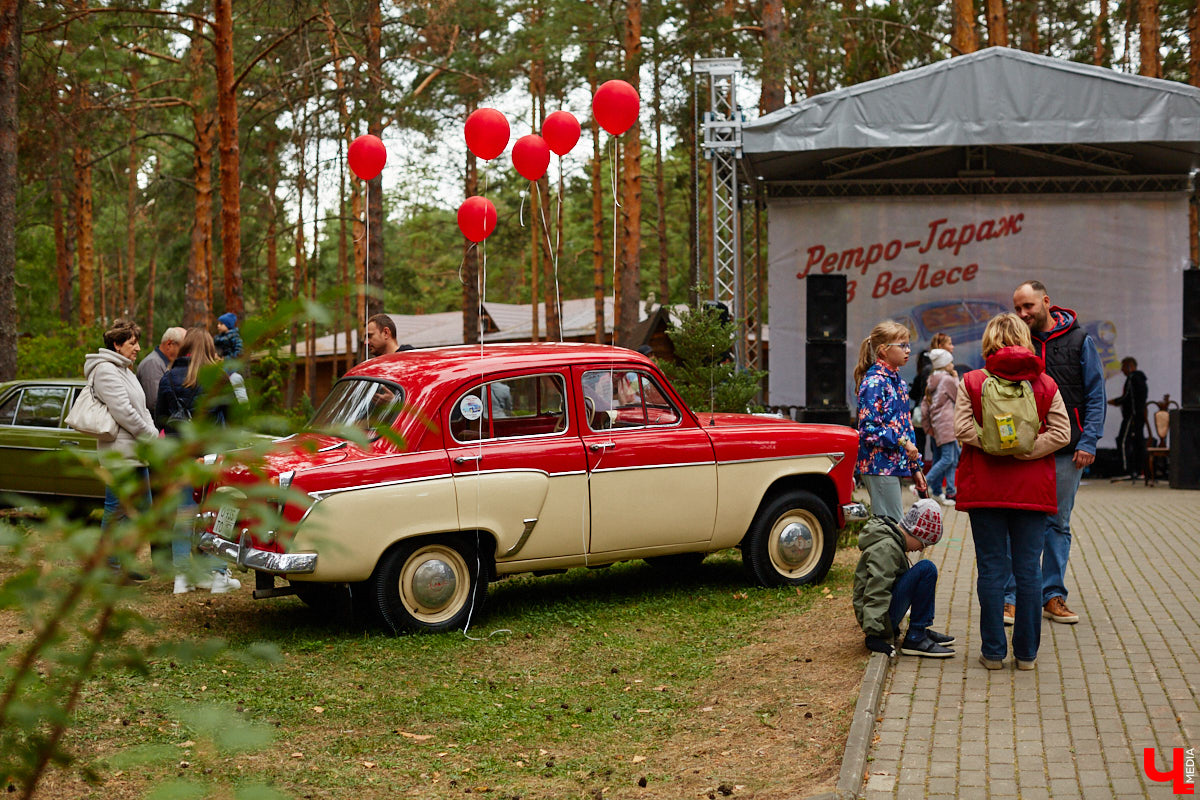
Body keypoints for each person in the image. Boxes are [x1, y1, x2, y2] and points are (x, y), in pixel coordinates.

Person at [955, 313, 1071, 670]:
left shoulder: (972, 381)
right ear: (1026, 339)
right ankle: (1027, 655)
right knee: (1029, 571)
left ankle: (992, 653)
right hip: (1032, 490)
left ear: (989, 340)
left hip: (985, 489)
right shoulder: (1045, 384)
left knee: (991, 570)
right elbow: (1062, 433)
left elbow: (960, 429)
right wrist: (1026, 450)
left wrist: (994, 445)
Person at [1006, 280, 1106, 625]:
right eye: (1018, 308)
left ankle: (1053, 596)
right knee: (1016, 520)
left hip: (1067, 449)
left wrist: (1089, 441)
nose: (1022, 314)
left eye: (1028, 307)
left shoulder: (1081, 340)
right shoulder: (1016, 340)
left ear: (1046, 302)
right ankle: (1012, 598)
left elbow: (1096, 395)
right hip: (1023, 448)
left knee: (1058, 523)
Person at [156, 327, 242, 594]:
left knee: (183, 514)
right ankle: (217, 575)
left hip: (181, 456)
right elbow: (234, 417)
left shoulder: (167, 378)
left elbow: (160, 417)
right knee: (216, 514)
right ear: (209, 348)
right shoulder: (218, 377)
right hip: (212, 456)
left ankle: (182, 577)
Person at [85, 319, 158, 582]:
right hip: (120, 454)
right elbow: (123, 412)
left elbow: (143, 408)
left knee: (142, 509)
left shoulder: (126, 370)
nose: (137, 348)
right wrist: (150, 435)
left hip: (137, 452)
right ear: (117, 345)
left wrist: (151, 432)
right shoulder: (106, 370)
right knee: (116, 510)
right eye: (132, 343)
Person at [853, 499, 955, 658]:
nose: (921, 548)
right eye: (923, 543)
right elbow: (876, 590)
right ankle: (915, 637)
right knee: (926, 569)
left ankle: (919, 629)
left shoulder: (892, 542)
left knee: (924, 570)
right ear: (915, 532)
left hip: (883, 617)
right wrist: (873, 635)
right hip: (879, 623)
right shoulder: (887, 548)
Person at [854, 321, 927, 521]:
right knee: (891, 526)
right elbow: (868, 430)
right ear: (883, 350)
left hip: (892, 466)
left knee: (891, 526)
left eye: (908, 344)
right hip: (878, 466)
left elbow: (906, 429)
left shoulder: (898, 382)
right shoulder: (874, 382)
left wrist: (916, 468)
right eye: (902, 345)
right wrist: (903, 442)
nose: (908, 350)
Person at [921, 348, 959, 505]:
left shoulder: (933, 379)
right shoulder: (948, 380)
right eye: (950, 362)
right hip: (948, 424)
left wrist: (927, 426)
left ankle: (951, 492)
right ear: (944, 364)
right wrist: (956, 378)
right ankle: (922, 484)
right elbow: (959, 395)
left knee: (953, 458)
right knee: (948, 458)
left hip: (939, 424)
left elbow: (924, 407)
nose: (952, 364)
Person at [1109, 357, 1148, 480]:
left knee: (1123, 441)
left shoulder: (1132, 378)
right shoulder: (1142, 380)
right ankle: (1140, 470)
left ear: (1130, 366)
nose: (1122, 370)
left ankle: (1126, 470)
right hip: (1139, 415)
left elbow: (1127, 397)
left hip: (1132, 415)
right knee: (1138, 442)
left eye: (1123, 366)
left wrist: (1116, 401)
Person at [136, 326, 185, 415]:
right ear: (169, 344)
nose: (184, 353)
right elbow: (154, 403)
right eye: (183, 348)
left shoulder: (163, 362)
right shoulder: (153, 364)